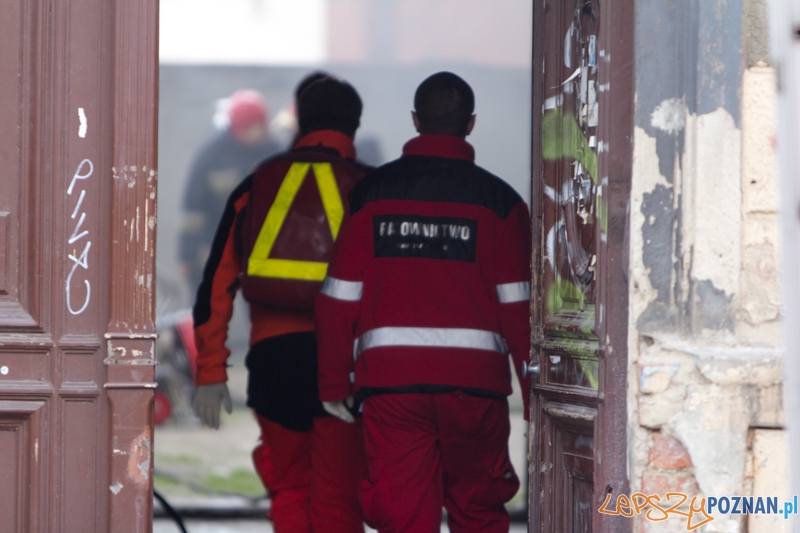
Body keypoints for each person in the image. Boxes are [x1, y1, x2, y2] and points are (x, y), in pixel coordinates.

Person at [315, 71, 532, 532]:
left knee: (402, 514)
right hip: (475, 391)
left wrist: (335, 384)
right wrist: (537, 397)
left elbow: (338, 300)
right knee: (478, 512)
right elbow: (519, 310)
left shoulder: (368, 196)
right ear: (470, 124)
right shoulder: (502, 203)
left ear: (415, 120)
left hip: (394, 388)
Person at [192, 76, 369, 532]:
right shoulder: (370, 189)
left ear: (299, 122)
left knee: (290, 488)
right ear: (354, 126)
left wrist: (210, 371)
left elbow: (216, 284)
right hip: (346, 365)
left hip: (275, 361)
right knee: (338, 495)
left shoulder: (258, 183)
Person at [179, 89, 282, 295]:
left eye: (260, 129)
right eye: (250, 130)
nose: (256, 135)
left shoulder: (275, 152)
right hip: (215, 249)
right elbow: (192, 211)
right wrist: (186, 255)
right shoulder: (211, 156)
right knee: (206, 312)